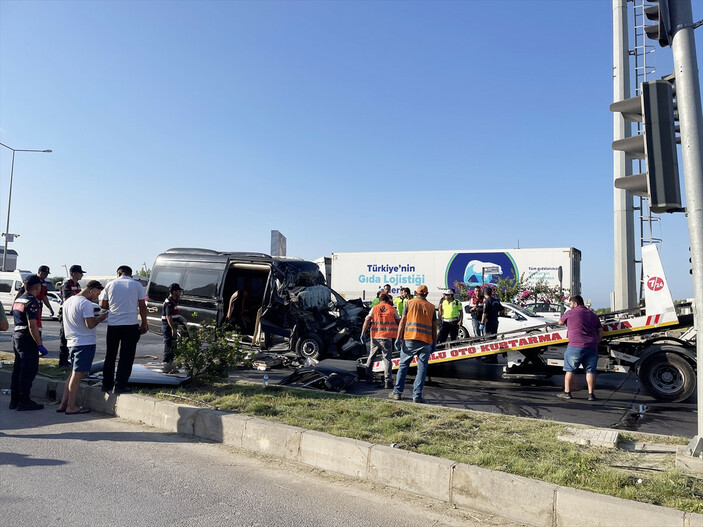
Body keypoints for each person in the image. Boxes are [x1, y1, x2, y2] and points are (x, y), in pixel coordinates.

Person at [57, 280, 109, 414]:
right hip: (84, 342)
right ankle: (71, 406)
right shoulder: (86, 304)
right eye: (97, 294)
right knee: (77, 375)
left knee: (73, 373)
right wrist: (100, 318)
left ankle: (64, 403)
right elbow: (90, 325)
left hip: (72, 341)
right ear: (91, 290)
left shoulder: (68, 301)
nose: (96, 297)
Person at [99, 265, 148, 394]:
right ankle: (120, 385)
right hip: (130, 324)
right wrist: (144, 323)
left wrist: (114, 305)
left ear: (119, 273)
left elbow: (102, 305)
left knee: (110, 355)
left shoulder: (110, 284)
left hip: (113, 324)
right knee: (126, 356)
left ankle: (106, 384)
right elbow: (142, 306)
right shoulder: (137, 285)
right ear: (130, 274)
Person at [389, 284, 437, 403]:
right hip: (425, 341)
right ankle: (417, 396)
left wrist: (398, 338)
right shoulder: (431, 307)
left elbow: (402, 322)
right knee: (421, 369)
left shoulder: (409, 303)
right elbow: (434, 327)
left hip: (410, 339)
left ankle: (397, 393)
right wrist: (434, 342)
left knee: (403, 366)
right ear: (426, 294)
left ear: (416, 292)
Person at [9, 275, 48, 411]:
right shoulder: (32, 301)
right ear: (37, 287)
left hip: (17, 337)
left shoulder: (18, 300)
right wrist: (39, 344)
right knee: (28, 370)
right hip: (27, 339)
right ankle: (24, 401)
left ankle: (14, 400)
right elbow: (32, 326)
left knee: (18, 369)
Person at [557, 295, 603, 401]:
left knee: (570, 370)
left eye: (570, 304)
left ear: (575, 303)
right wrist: (597, 341)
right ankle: (591, 394)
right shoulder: (592, 315)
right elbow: (600, 331)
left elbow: (560, 322)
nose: (570, 306)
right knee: (590, 371)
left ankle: (567, 393)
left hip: (575, 346)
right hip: (591, 346)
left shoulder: (570, 313)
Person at [360, 293, 399, 389]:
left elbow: (367, 320)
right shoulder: (392, 309)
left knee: (371, 356)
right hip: (387, 337)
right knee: (387, 359)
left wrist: (363, 333)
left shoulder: (374, 308)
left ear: (380, 300)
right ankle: (388, 380)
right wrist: (399, 337)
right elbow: (399, 321)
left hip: (375, 337)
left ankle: (368, 377)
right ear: (387, 300)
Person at [58, 264, 86, 367]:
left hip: (74, 312)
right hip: (66, 312)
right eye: (80, 273)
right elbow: (67, 299)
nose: (82, 275)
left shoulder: (78, 285)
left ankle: (68, 359)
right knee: (64, 337)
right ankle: (62, 361)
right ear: (74, 274)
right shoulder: (67, 284)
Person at [162, 283, 184, 370]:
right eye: (179, 291)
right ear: (174, 291)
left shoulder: (173, 301)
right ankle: (166, 367)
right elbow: (168, 316)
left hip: (171, 327)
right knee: (169, 347)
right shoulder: (169, 302)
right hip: (168, 327)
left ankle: (170, 365)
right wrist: (173, 329)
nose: (180, 292)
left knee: (172, 347)